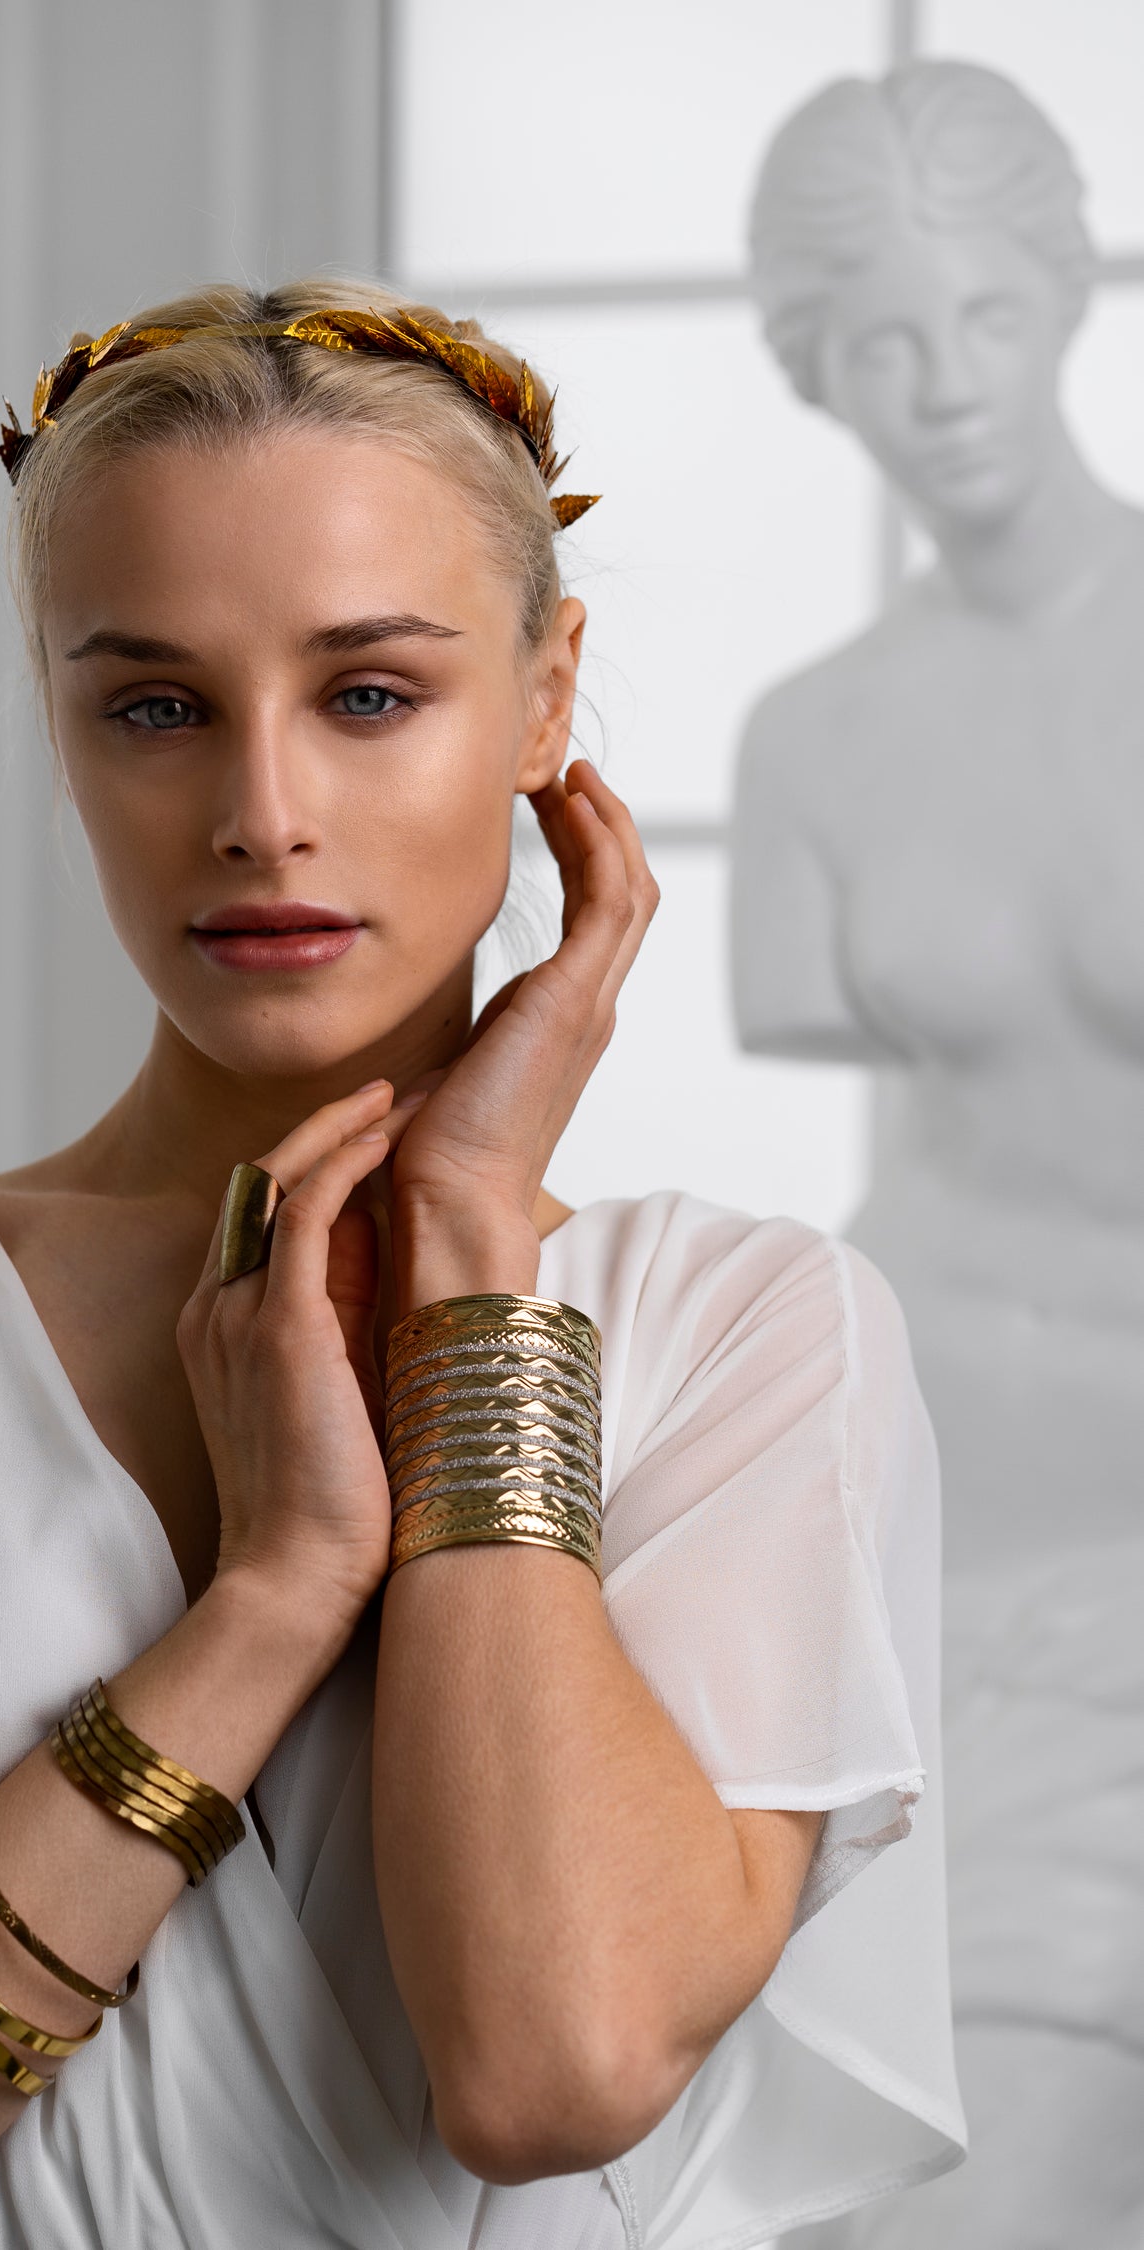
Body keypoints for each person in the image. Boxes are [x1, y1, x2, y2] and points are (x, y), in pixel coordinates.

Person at [0, 279, 961, 2250]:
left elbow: (551, 2065)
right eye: (156, 706)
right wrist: (269, 1600)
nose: (263, 817)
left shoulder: (746, 1333)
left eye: (368, 696)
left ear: (545, 699)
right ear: (64, 728)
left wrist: (472, 1260)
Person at [737, 61, 1144, 2249]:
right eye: (882, 340)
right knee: (871, 2164)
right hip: (925, 1527)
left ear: (1066, 297)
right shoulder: (816, 737)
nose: (948, 385)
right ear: (816, 375)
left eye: (982, 314)